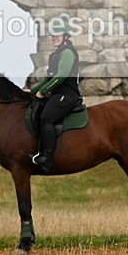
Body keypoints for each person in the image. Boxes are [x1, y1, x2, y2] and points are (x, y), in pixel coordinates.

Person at [22, 17, 81, 171]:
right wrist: (33, 90)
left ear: (66, 36)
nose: (54, 37)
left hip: (67, 95)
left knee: (46, 117)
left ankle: (46, 157)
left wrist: (44, 91)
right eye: (53, 35)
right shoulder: (57, 53)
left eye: (58, 34)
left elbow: (61, 76)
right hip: (57, 94)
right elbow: (49, 77)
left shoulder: (67, 52)